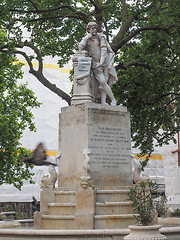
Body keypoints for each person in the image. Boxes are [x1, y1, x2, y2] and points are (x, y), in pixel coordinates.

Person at [78, 22, 117, 105]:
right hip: (95, 64)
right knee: (103, 82)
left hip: (105, 62)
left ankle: (104, 101)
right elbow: (80, 48)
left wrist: (101, 62)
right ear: (88, 30)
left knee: (104, 83)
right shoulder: (87, 39)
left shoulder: (101, 36)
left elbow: (104, 50)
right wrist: (87, 37)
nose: (94, 30)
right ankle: (113, 99)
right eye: (92, 28)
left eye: (95, 28)